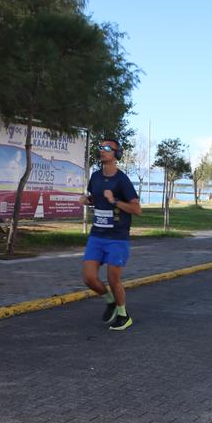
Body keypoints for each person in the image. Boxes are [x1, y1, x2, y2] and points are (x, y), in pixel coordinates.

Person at [81, 138, 142, 330]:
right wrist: (87, 200)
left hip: (117, 238)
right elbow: (96, 198)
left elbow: (137, 209)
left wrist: (115, 201)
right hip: (97, 235)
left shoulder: (122, 180)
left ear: (117, 154)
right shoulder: (95, 177)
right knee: (89, 278)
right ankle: (110, 301)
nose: (102, 150)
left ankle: (123, 316)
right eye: (100, 147)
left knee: (113, 279)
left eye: (107, 147)